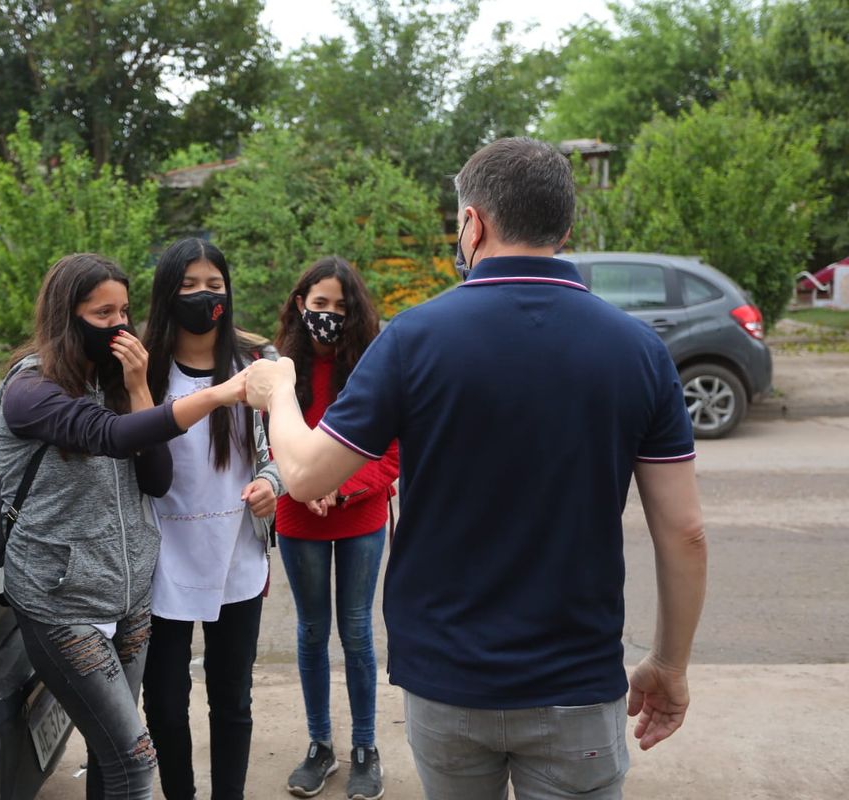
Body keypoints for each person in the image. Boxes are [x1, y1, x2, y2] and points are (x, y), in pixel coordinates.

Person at [244, 138, 707, 799]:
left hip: (448, 681)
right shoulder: (639, 350)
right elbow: (685, 533)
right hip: (577, 682)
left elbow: (308, 475)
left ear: (473, 223)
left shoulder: (413, 338)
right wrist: (669, 662)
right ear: (563, 229)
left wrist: (278, 392)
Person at [0, 253, 244, 800]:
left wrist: (137, 387)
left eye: (125, 311)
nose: (119, 325)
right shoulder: (30, 391)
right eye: (103, 313)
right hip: (62, 604)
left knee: (110, 757)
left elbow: (156, 479)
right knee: (134, 763)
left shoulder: (111, 382)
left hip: (127, 597)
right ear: (67, 316)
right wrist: (219, 393)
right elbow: (108, 436)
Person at [139, 238, 283, 800]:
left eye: (214, 285)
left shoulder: (256, 363)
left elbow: (282, 448)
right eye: (189, 286)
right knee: (164, 703)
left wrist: (271, 484)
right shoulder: (144, 368)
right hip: (161, 561)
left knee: (232, 699)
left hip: (235, 555)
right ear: (166, 294)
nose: (204, 296)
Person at [272, 257, 398, 800]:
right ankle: (320, 745)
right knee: (310, 631)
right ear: (300, 304)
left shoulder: (375, 367)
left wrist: (339, 487)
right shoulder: (280, 370)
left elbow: (391, 453)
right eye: (319, 303)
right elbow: (270, 443)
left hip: (360, 517)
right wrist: (305, 486)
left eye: (340, 307)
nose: (328, 315)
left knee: (356, 631)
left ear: (356, 312)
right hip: (298, 515)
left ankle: (365, 748)